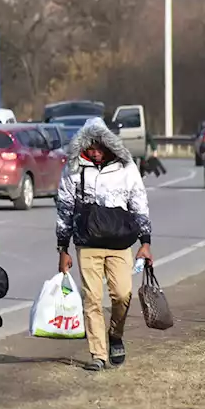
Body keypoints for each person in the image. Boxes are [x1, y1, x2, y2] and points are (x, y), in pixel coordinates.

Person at [56, 117, 153, 372]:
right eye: (91, 147)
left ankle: (115, 335)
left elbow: (139, 202)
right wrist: (62, 248)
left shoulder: (126, 167)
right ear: (84, 146)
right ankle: (97, 355)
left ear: (110, 145)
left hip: (121, 242)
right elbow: (64, 207)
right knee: (92, 298)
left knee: (122, 294)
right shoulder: (74, 168)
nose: (96, 153)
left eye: (100, 147)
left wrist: (146, 242)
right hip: (87, 242)